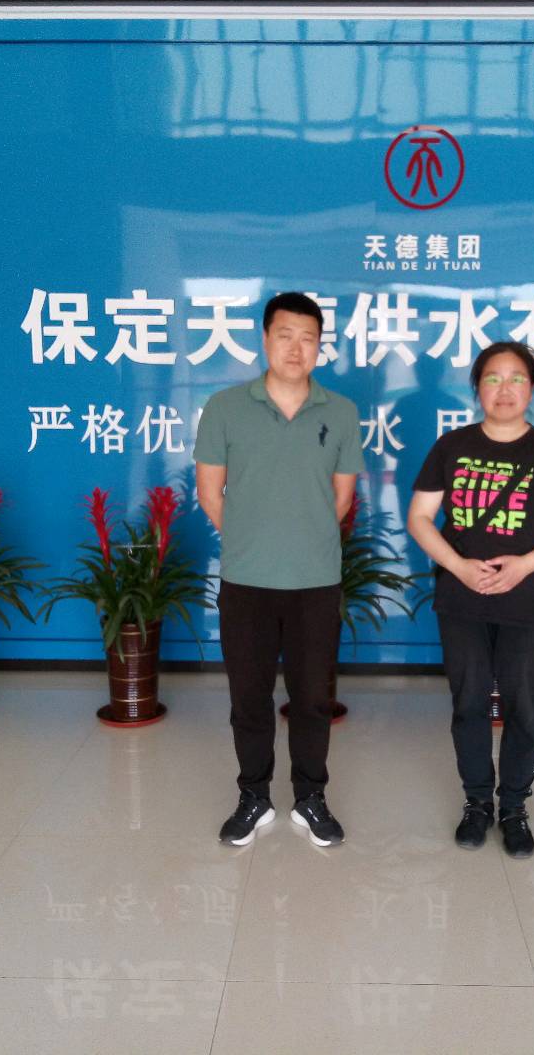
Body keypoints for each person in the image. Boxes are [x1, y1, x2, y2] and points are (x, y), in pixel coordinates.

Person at [407, 341, 534, 858]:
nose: (504, 389)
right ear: (477, 387)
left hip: (527, 603)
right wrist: (460, 566)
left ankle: (513, 807)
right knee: (467, 704)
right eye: (492, 378)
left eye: (516, 379)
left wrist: (524, 566)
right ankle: (476, 804)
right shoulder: (452, 446)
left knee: (524, 708)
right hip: (462, 600)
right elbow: (419, 517)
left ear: (531, 389)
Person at [194, 291, 364, 848]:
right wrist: (256, 541)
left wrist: (300, 541)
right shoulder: (224, 407)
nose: (296, 348)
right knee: (249, 697)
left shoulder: (340, 412)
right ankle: (254, 796)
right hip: (246, 580)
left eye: (308, 338)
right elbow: (211, 493)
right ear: (265, 339)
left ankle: (311, 798)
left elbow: (341, 498)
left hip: (316, 581)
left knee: (312, 698)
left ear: (320, 346)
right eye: (285, 335)